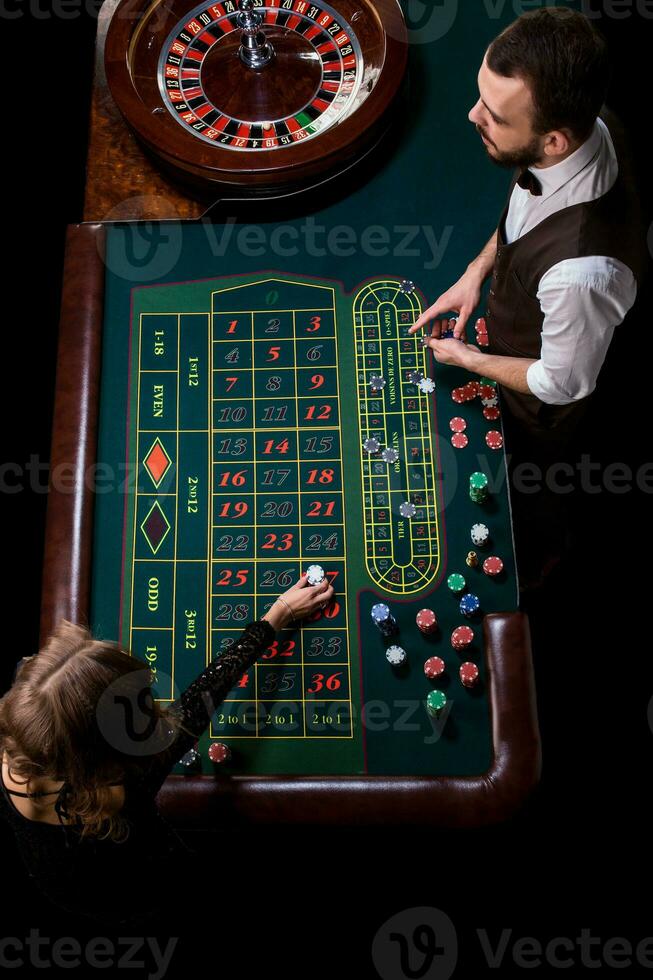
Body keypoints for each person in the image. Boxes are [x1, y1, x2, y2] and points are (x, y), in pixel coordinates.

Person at [410, 8, 644, 590]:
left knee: (535, 485)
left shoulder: (582, 272)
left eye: (493, 115)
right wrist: (475, 271)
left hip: (547, 411)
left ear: (553, 139)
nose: (471, 116)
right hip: (527, 312)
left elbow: (563, 383)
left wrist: (468, 360)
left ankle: (547, 559)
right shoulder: (587, 129)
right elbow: (526, 206)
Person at [0, 573, 333, 927]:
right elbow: (198, 704)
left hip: (51, 874)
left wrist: (276, 616)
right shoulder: (126, 789)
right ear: (110, 761)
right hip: (125, 887)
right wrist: (275, 617)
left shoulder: (26, 725)